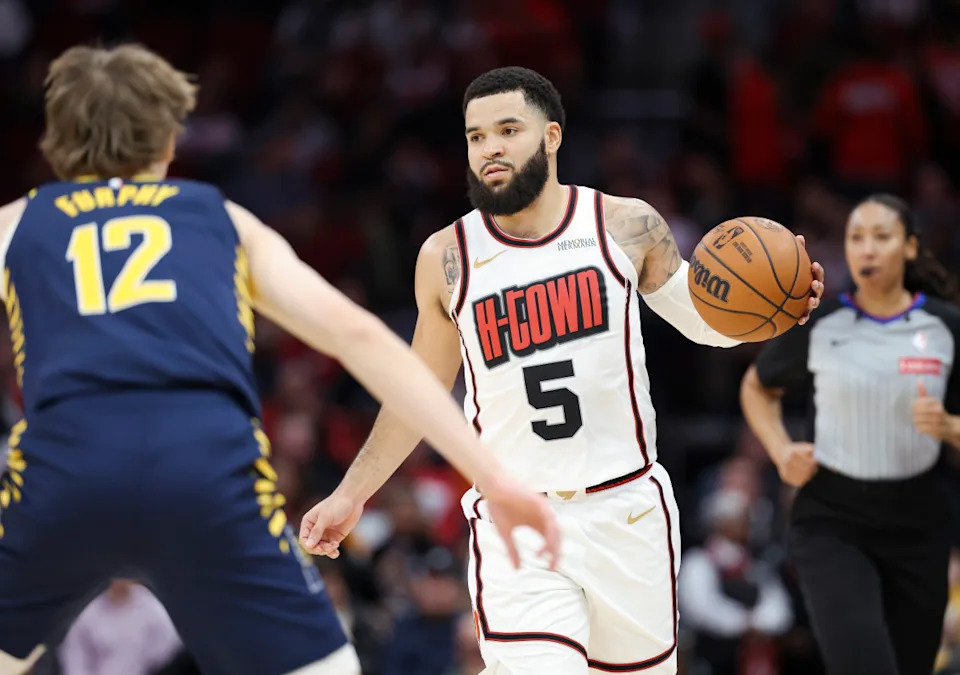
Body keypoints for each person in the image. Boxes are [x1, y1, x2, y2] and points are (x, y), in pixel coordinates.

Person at [0, 45, 562, 675]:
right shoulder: (220, 218)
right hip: (205, 476)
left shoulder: (17, 223)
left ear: (58, 140)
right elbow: (359, 336)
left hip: (66, 478)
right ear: (167, 138)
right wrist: (495, 475)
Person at [300, 66, 824, 675]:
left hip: (626, 511)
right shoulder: (447, 258)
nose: (489, 148)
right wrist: (351, 492)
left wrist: (774, 312)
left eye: (507, 130)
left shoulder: (624, 226)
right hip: (518, 520)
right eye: (475, 136)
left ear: (551, 137)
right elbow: (417, 393)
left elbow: (703, 320)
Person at [740, 193, 960, 675]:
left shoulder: (946, 327)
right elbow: (758, 386)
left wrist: (950, 427)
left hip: (920, 523)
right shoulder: (823, 323)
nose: (867, 248)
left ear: (909, 247)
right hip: (833, 520)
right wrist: (781, 452)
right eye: (857, 237)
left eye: (882, 237)